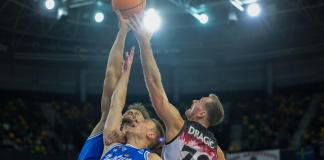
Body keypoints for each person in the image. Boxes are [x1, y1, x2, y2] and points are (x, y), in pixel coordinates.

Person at [129, 15, 226, 160]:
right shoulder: (217, 152)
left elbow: (154, 83)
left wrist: (144, 42)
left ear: (201, 114)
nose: (194, 100)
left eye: (199, 101)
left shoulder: (178, 125)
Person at [78, 11, 151, 160]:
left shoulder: (146, 154)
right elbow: (111, 74)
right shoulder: (108, 129)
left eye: (137, 115)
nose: (132, 114)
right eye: (130, 112)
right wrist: (123, 31)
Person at [100, 46, 163, 160]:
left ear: (150, 135)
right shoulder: (112, 144)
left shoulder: (151, 157)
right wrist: (126, 71)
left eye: (144, 121)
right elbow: (115, 105)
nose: (135, 121)